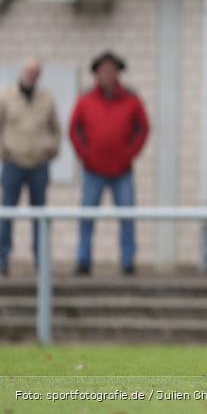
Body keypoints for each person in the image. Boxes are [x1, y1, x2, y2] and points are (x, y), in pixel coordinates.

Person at [69, 51, 150, 276]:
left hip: (122, 171)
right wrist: (86, 154)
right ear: (97, 74)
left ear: (118, 73)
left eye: (112, 70)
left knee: (127, 217)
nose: (108, 74)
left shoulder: (131, 100)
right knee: (86, 217)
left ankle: (127, 261)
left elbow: (142, 128)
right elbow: (74, 129)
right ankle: (83, 260)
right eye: (103, 70)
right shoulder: (85, 100)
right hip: (92, 170)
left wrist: (129, 153)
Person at [0, 58, 61, 276]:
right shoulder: (6, 97)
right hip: (13, 164)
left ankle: (40, 261)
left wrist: (52, 148)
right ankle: (2, 260)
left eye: (36, 72)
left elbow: (56, 129)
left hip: (38, 166)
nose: (31, 75)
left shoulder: (46, 99)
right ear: (21, 71)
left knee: (40, 216)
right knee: (7, 213)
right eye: (28, 71)